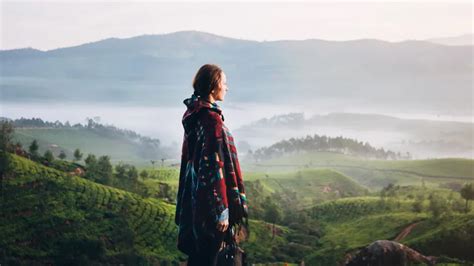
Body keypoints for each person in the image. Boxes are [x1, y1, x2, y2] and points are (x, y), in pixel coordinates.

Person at [175, 64, 249, 266]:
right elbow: (212, 168)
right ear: (213, 86)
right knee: (209, 258)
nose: (227, 88)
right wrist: (221, 211)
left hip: (195, 198)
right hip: (210, 205)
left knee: (198, 257)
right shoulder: (211, 120)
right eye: (224, 83)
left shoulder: (194, 114)